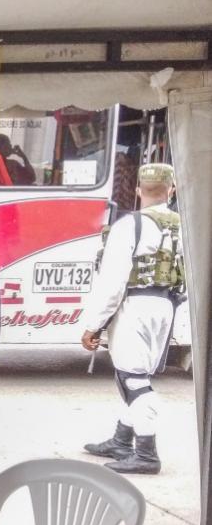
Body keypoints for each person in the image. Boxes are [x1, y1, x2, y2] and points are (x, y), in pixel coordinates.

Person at [82, 163, 182, 475]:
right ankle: (121, 440)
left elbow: (113, 282)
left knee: (134, 380)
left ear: (138, 190)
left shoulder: (130, 226)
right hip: (166, 306)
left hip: (134, 308)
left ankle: (147, 453)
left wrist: (93, 324)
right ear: (171, 190)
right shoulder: (185, 226)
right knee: (132, 374)